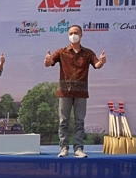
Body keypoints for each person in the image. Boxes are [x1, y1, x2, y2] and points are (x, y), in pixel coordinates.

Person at [45, 24, 106, 158]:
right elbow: (49, 63)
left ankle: (78, 149)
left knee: (79, 122)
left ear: (81, 35)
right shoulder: (61, 52)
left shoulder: (88, 53)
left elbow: (97, 65)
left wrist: (101, 62)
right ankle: (64, 148)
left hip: (81, 93)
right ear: (68, 35)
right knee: (63, 121)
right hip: (64, 92)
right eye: (71, 33)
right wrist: (47, 60)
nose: (73, 35)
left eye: (76, 33)